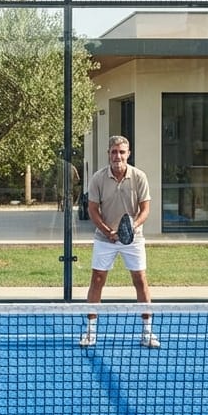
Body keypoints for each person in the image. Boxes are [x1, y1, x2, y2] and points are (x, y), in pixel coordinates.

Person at [79, 135, 158, 349]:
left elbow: (145, 209)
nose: (118, 156)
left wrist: (130, 229)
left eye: (122, 152)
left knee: (140, 280)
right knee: (97, 280)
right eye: (114, 152)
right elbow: (93, 210)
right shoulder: (98, 178)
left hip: (133, 238)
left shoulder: (139, 176)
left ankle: (147, 332)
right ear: (108, 154)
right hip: (105, 238)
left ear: (128, 154)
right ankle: (90, 333)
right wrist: (107, 231)